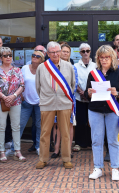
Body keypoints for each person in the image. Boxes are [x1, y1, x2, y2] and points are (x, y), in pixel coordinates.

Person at [84, 45, 119, 180]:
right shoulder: (93, 73)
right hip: (95, 110)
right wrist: (89, 93)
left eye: (106, 57)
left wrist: (117, 93)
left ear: (112, 57)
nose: (104, 60)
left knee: (113, 140)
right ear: (98, 59)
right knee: (96, 140)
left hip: (112, 111)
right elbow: (86, 93)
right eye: (101, 57)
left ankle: (115, 168)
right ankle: (98, 168)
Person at [35, 41, 75, 169]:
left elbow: (72, 85)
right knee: (45, 132)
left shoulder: (68, 66)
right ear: (47, 53)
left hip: (64, 103)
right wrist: (47, 96)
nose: (55, 54)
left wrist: (63, 96)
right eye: (52, 52)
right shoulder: (42, 67)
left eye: (57, 51)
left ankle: (66, 159)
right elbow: (38, 87)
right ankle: (43, 159)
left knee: (65, 133)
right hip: (47, 103)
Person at [0, 47, 26, 162]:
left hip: (15, 101)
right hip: (0, 101)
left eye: (10, 55)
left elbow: (22, 85)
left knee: (16, 126)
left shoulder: (17, 70)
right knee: (1, 126)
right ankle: (2, 152)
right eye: (5, 56)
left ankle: (17, 151)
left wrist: (13, 96)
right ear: (0, 58)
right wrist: (4, 97)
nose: (8, 57)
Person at [8, 50, 45, 156]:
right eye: (33, 55)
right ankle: (14, 148)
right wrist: (20, 95)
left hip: (39, 102)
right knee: (19, 125)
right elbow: (18, 83)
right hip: (25, 101)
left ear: (41, 60)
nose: (35, 57)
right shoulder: (24, 68)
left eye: (38, 56)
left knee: (39, 125)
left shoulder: (43, 70)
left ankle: (38, 147)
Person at [51, 43, 78, 158]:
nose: (65, 53)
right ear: (59, 52)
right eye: (63, 51)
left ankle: (67, 150)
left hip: (69, 99)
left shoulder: (73, 67)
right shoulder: (52, 66)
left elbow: (74, 84)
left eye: (67, 51)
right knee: (56, 125)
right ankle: (56, 150)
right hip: (55, 99)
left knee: (69, 125)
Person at [73, 43, 96, 151]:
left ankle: (92, 142)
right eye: (83, 51)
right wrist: (82, 92)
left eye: (87, 51)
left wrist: (89, 93)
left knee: (93, 121)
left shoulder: (95, 66)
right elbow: (74, 81)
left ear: (90, 52)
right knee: (80, 121)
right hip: (79, 97)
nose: (85, 53)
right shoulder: (76, 67)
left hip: (93, 98)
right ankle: (79, 143)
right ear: (80, 53)